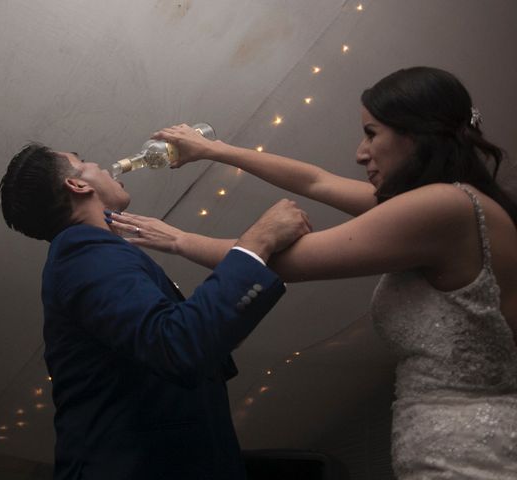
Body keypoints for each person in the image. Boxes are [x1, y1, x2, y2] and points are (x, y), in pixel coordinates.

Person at [105, 67, 517, 478]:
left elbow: (284, 261)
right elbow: (316, 181)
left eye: (372, 133)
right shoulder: (451, 202)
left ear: (416, 133)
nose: (360, 152)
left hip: (470, 457)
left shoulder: (442, 208)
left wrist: (176, 239)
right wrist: (215, 150)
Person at [0, 143, 310, 479]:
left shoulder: (94, 254)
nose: (104, 166)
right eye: (84, 162)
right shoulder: (81, 253)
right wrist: (259, 240)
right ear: (78, 185)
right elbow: (179, 344)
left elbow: (183, 347)